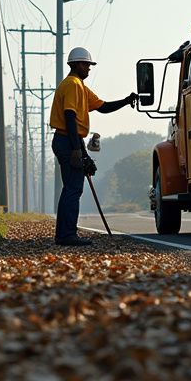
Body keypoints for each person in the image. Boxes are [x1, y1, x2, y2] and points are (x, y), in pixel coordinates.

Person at [50, 47, 137, 246]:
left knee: (71, 188)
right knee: (73, 188)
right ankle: (66, 235)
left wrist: (126, 100)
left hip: (70, 139)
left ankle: (64, 234)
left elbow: (103, 106)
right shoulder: (72, 84)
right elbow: (70, 118)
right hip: (66, 139)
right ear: (78, 64)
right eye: (87, 65)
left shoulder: (79, 85)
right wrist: (76, 150)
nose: (89, 69)